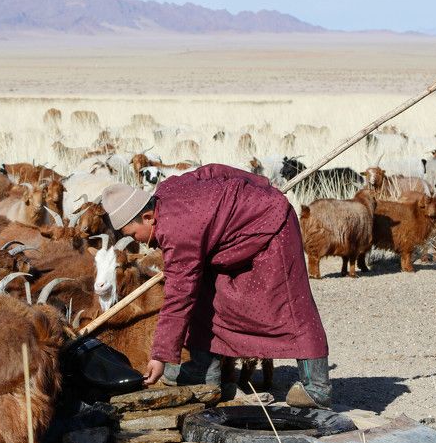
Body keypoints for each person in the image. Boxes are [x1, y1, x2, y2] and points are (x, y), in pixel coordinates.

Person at [100, 163, 332, 408]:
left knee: (290, 304)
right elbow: (211, 171)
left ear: (148, 217)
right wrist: (260, 183)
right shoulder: (166, 190)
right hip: (235, 238)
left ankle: (316, 388)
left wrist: (160, 356)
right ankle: (202, 372)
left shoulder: (176, 230)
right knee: (206, 295)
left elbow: (179, 298)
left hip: (274, 226)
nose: (140, 243)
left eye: (134, 234)